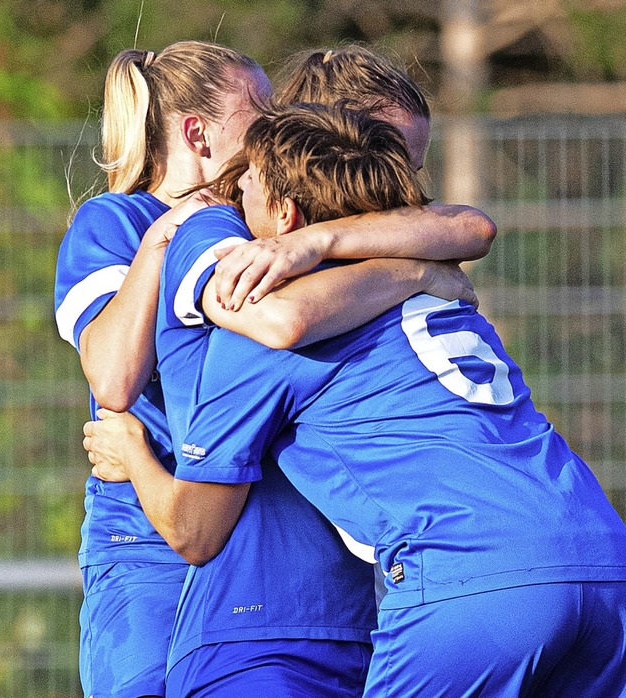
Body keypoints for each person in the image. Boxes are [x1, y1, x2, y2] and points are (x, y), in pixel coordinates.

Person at [89, 101, 626, 697]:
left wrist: (133, 451)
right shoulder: (436, 287)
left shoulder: (269, 336)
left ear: (285, 217)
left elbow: (195, 532)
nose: (234, 209)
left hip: (468, 579)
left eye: (244, 196)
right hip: (601, 557)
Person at [56, 41, 494, 698]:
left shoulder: (269, 220)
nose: (275, 126)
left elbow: (466, 229)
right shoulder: (121, 222)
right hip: (150, 542)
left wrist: (415, 268)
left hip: (269, 556)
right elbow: (114, 379)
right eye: (260, 113)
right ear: (199, 133)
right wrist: (163, 240)